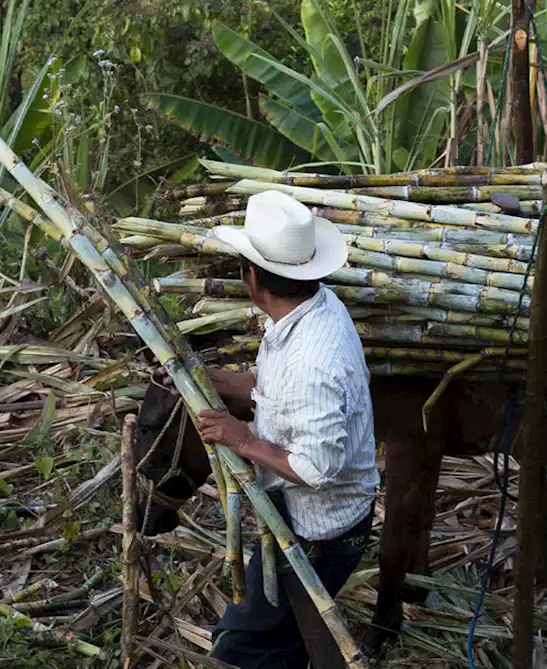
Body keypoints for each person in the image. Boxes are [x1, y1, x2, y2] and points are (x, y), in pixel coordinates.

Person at [151, 190, 379, 669]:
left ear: (251, 277)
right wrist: (210, 378)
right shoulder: (310, 307)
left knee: (241, 649)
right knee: (287, 638)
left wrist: (242, 439)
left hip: (322, 533)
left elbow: (317, 469)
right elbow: (276, 392)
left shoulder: (314, 360)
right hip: (298, 516)